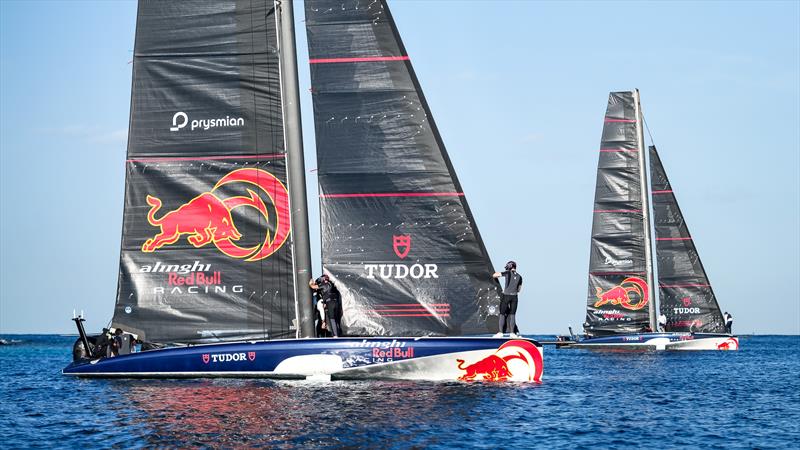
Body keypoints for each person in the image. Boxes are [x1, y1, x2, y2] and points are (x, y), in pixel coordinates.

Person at [492, 261, 523, 338]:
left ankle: (500, 333)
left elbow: (494, 275)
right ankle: (512, 333)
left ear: (509, 266)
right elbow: (519, 290)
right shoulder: (520, 277)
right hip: (514, 297)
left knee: (502, 314)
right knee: (512, 315)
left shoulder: (507, 273)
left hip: (506, 296)